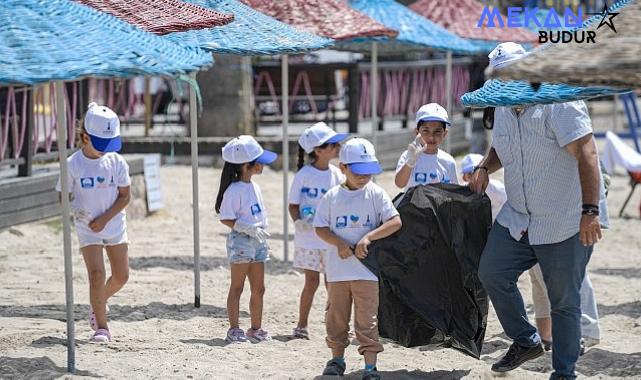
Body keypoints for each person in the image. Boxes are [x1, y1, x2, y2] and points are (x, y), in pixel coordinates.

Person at [469, 42, 607, 380]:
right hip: (519, 216)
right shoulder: (502, 105)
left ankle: (564, 372)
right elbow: (503, 145)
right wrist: (486, 166)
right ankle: (526, 339)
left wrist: (590, 211)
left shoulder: (559, 102)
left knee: (563, 301)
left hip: (564, 217)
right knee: (492, 273)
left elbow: (587, 154)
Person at [313, 138, 402, 380]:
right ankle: (337, 359)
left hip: (367, 272)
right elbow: (320, 227)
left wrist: (368, 238)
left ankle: (370, 367)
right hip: (338, 272)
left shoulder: (376, 193)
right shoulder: (331, 196)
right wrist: (338, 243)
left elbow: (395, 221)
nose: (364, 177)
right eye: (357, 171)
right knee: (336, 317)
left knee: (367, 321)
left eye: (368, 172)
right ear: (342, 168)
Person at [57, 102, 131, 343]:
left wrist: (105, 218)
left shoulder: (117, 162)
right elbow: (63, 196)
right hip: (87, 228)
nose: (106, 150)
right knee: (96, 275)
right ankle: (102, 327)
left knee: (121, 276)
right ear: (85, 137)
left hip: (114, 225)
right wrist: (74, 209)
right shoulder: (72, 164)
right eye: (101, 144)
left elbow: (125, 196)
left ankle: (99, 301)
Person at [215, 135, 277, 343]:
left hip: (258, 241)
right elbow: (226, 218)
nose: (263, 166)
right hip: (241, 241)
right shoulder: (234, 190)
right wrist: (246, 228)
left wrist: (261, 232)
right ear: (245, 164)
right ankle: (234, 328)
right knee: (238, 287)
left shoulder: (255, 187)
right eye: (259, 161)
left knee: (259, 288)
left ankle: (256, 328)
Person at [288, 122, 348, 339]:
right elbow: (293, 204)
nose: (338, 146)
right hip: (308, 240)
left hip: (331, 238)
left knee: (332, 283)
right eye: (333, 144)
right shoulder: (304, 174)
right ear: (318, 150)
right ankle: (301, 324)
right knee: (311, 282)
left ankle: (334, 325)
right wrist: (298, 222)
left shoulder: (336, 174)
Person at [395, 103, 458, 191]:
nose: (431, 137)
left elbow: (454, 192)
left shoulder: (449, 161)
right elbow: (399, 183)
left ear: (445, 133)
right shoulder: (408, 156)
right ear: (417, 132)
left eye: (437, 131)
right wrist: (410, 162)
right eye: (426, 131)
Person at [460, 153, 507, 222]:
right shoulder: (462, 192)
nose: (475, 177)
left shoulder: (496, 188)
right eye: (470, 173)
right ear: (464, 177)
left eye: (478, 173)